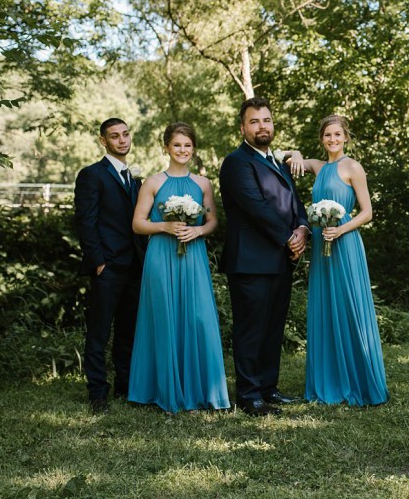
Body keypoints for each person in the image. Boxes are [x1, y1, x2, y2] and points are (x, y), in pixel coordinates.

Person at [282, 114, 389, 406]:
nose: (332, 140)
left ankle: (360, 381)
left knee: (349, 306)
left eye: (337, 135)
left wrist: (341, 229)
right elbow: (285, 156)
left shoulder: (352, 167)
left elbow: (367, 212)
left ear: (346, 138)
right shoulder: (319, 167)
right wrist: (298, 153)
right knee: (326, 307)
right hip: (321, 248)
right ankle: (329, 380)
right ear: (322, 139)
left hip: (345, 244)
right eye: (327, 135)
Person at [127, 123, 230, 413]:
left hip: (193, 255)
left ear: (193, 148)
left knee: (197, 317)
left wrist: (198, 232)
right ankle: (160, 388)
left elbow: (211, 221)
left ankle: (201, 389)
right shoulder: (153, 183)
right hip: (161, 255)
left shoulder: (203, 184)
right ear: (166, 148)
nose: (182, 150)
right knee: (164, 315)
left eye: (187, 145)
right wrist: (165, 226)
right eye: (177, 145)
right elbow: (138, 223)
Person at [219, 97, 310, 417]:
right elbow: (255, 207)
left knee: (273, 326)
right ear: (243, 127)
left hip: (280, 259)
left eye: (266, 120)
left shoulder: (276, 161)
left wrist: (302, 227)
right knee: (251, 327)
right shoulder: (236, 162)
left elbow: (295, 201)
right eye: (254, 121)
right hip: (250, 260)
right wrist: (288, 237)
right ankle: (249, 394)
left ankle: (269, 387)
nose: (262, 126)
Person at [74, 118, 147, 414]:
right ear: (103, 141)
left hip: (134, 266)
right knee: (99, 331)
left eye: (125, 134)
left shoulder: (135, 178)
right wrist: (99, 262)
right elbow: (85, 222)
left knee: (128, 330)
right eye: (115, 136)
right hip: (108, 266)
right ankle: (98, 393)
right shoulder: (92, 175)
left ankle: (125, 385)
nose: (122, 140)